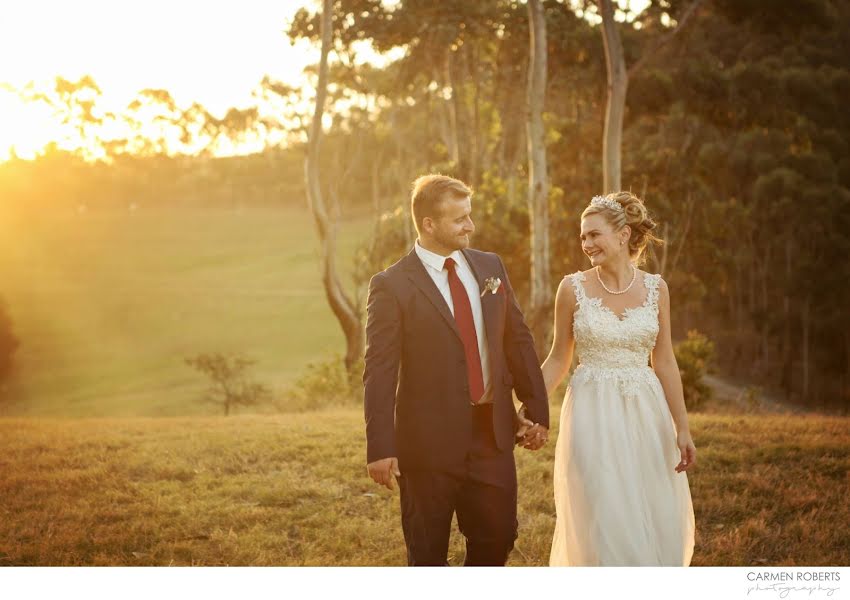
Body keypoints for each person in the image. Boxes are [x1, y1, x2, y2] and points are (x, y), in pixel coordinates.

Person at [362, 174, 549, 566]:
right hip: (427, 445)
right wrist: (380, 447)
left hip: (491, 434)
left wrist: (535, 410)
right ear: (429, 225)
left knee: (498, 539)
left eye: (469, 215)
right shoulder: (392, 285)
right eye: (460, 218)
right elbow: (379, 372)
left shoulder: (489, 266)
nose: (471, 225)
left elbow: (516, 339)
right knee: (427, 553)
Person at [542, 192, 696, 566]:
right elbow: (558, 358)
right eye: (582, 237)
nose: (586, 243)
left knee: (651, 505)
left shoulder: (657, 289)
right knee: (603, 511)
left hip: (646, 412)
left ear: (624, 234)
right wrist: (527, 407)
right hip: (591, 414)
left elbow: (664, 360)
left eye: (594, 235)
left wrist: (683, 427)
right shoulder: (572, 289)